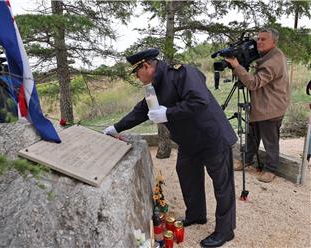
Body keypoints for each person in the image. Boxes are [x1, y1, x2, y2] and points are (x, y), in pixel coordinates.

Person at [103, 48, 238, 247]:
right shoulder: (154, 85)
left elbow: (199, 100)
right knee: (186, 173)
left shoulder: (183, 73)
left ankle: (226, 231)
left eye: (136, 72)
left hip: (211, 137)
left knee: (221, 183)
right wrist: (115, 128)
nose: (137, 77)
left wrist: (168, 113)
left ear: (146, 66)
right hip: (189, 141)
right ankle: (197, 214)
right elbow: (142, 110)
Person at [225, 28, 290, 183]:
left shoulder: (274, 60)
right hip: (260, 105)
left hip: (272, 107)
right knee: (251, 135)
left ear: (274, 42)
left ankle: (271, 169)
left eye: (263, 39)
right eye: (258, 39)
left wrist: (236, 66)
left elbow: (254, 83)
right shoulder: (266, 55)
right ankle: (246, 160)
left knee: (270, 140)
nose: (259, 42)